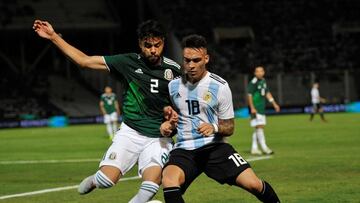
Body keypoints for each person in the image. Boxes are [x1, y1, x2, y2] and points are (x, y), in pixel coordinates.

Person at [33, 19, 181, 203]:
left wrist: (173, 121)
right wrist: (53, 37)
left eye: (157, 45)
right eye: (147, 45)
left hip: (158, 138)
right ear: (140, 44)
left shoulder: (175, 71)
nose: (152, 50)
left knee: (151, 186)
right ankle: (96, 180)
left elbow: (182, 107)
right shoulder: (127, 62)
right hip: (131, 132)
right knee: (106, 180)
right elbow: (84, 61)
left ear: (163, 43)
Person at [159, 34, 280, 203]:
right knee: (169, 180)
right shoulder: (173, 86)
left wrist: (214, 128)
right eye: (187, 60)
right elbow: (169, 120)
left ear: (206, 58)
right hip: (184, 149)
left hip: (214, 147)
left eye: (196, 60)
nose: (191, 65)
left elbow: (229, 127)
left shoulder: (220, 86)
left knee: (253, 184)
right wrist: (166, 127)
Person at [247, 66, 280, 155]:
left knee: (257, 128)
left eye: (261, 71)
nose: (259, 73)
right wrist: (252, 107)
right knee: (260, 127)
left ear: (264, 72)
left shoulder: (263, 81)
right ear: (255, 73)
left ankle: (254, 148)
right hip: (256, 108)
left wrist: (274, 103)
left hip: (261, 108)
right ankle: (265, 148)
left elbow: (267, 93)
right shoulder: (253, 82)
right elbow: (249, 95)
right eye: (257, 71)